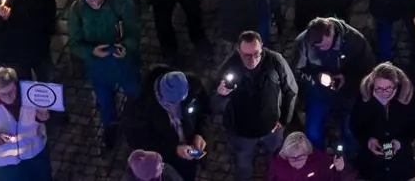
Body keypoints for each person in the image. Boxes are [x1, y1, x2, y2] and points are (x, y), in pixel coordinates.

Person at [68, 0, 141, 150]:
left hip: (123, 60)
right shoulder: (77, 10)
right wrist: (90, 51)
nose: (94, 2)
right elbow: (74, 42)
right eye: (90, 0)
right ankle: (111, 127)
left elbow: (133, 31)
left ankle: (138, 122)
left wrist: (126, 46)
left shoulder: (122, 2)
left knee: (135, 92)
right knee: (104, 100)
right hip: (98, 64)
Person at [214, 31, 299, 181]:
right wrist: (221, 94)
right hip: (242, 133)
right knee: (243, 165)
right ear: (239, 50)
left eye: (256, 54)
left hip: (272, 129)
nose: (252, 59)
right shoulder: (229, 67)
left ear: (262, 48)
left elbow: (291, 91)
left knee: (274, 159)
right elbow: (214, 105)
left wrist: (285, 119)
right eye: (247, 55)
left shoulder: (275, 61)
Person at [293, 17, 373, 152]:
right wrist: (316, 77)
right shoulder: (303, 42)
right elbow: (296, 71)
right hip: (318, 93)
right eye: (317, 47)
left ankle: (350, 162)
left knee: (351, 131)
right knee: (313, 133)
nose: (322, 50)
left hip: (349, 92)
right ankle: (318, 163)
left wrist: (347, 78)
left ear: (330, 33)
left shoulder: (354, 41)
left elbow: (368, 69)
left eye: (324, 45)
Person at [123, 68, 209, 181]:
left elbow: (203, 112)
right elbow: (139, 141)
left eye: (182, 101)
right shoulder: (139, 106)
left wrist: (199, 133)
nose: (177, 107)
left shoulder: (193, 88)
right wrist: (173, 149)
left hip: (188, 148)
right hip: (166, 158)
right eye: (172, 103)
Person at [348, 63, 415, 181]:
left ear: (396, 85)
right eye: (379, 89)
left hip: (400, 158)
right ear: (373, 85)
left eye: (388, 88)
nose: (384, 92)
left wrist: (399, 142)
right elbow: (355, 124)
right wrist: (369, 140)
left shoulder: (407, 98)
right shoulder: (364, 97)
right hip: (371, 158)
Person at [0, 67, 51, 181]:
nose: (9, 97)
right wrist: (1, 138)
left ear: (16, 85)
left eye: (12, 91)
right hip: (9, 162)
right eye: (4, 94)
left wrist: (42, 117)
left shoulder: (30, 94)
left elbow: (39, 118)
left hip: (35, 152)